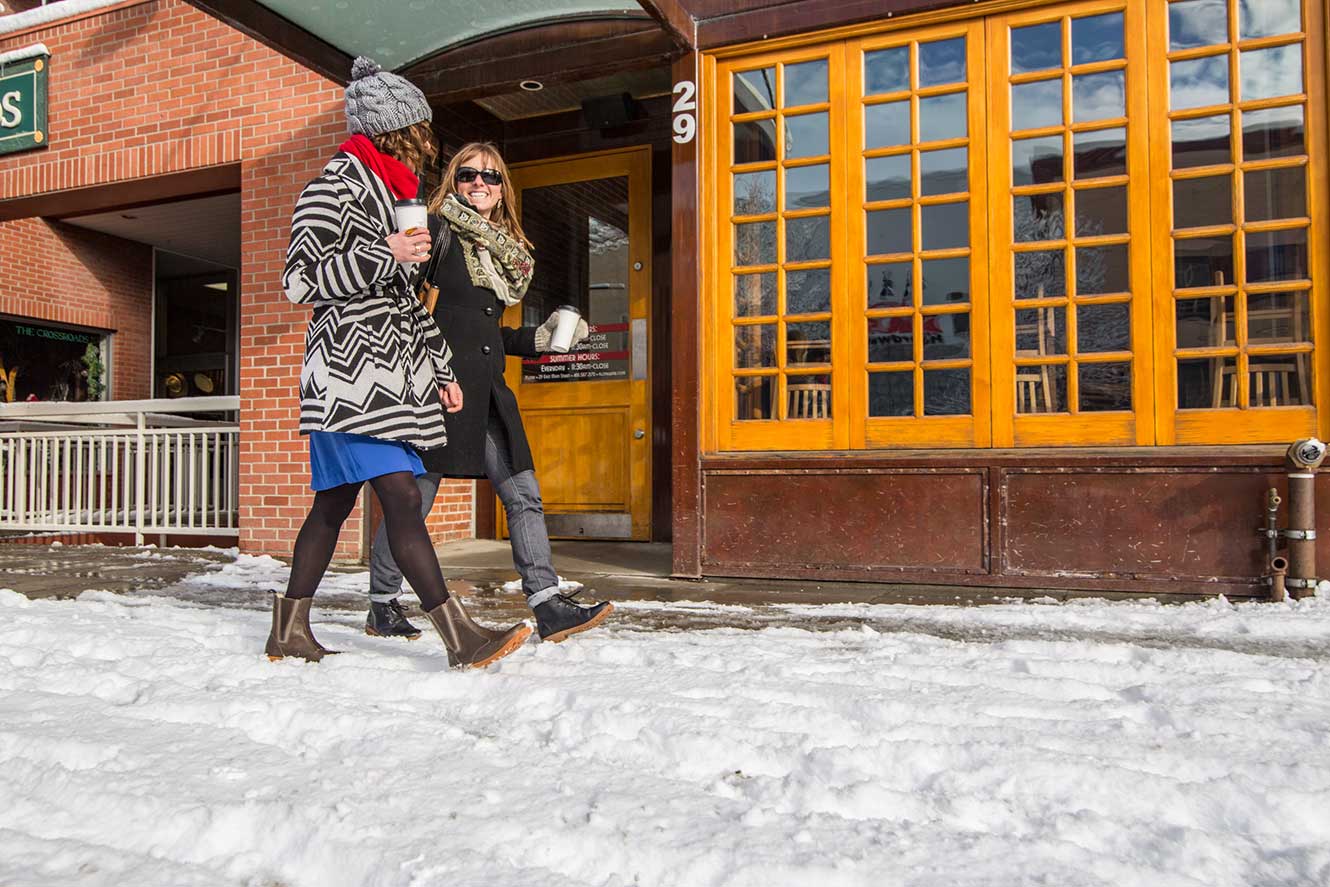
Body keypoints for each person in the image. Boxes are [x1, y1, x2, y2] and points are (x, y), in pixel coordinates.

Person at [267, 59, 529, 669]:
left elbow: (407, 303)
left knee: (331, 507)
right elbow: (299, 281)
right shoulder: (333, 186)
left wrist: (441, 370)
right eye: (420, 127)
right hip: (349, 380)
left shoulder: (394, 194)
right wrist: (382, 251)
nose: (428, 140)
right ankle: (460, 638)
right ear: (396, 128)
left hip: (395, 378)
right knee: (404, 501)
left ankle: (289, 630)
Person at [363, 141, 613, 645]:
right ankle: (382, 602)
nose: (479, 184)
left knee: (524, 496)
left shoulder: (500, 251)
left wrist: (538, 340)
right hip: (438, 388)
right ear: (453, 181)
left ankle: (547, 604)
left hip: (490, 392)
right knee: (413, 501)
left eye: (491, 177)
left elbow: (486, 332)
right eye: (468, 175)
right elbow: (402, 306)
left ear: (503, 190)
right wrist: (427, 372)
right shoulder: (434, 231)